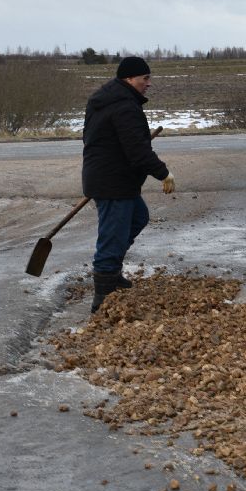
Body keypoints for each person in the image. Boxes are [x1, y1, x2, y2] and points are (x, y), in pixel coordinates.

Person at [82, 55, 174, 313]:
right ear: (130, 78)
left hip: (115, 178)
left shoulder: (111, 99)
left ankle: (112, 271)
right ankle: (103, 294)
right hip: (113, 182)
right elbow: (137, 150)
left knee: (138, 217)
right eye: (145, 78)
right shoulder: (123, 105)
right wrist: (163, 173)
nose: (149, 83)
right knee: (113, 234)